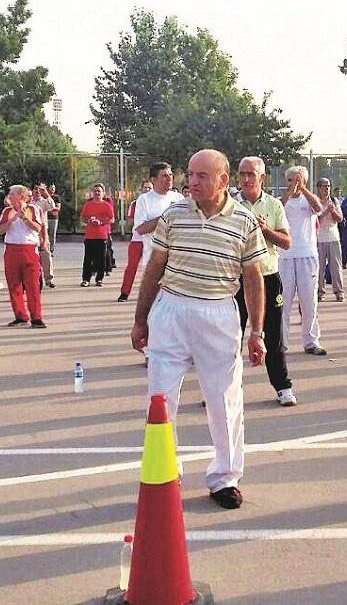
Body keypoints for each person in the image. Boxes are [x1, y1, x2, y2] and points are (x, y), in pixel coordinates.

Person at [130, 149, 267, 510]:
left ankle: (225, 477)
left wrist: (257, 331)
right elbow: (153, 269)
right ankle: (164, 472)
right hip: (171, 311)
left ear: (223, 180)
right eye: (189, 174)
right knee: (160, 398)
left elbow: (254, 279)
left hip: (219, 314)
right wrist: (140, 319)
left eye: (201, 176)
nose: (191, 182)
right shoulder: (173, 216)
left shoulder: (244, 221)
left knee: (224, 400)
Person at [235, 157, 297, 406]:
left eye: (252, 174)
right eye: (242, 174)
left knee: (273, 335)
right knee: (230, 334)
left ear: (262, 177)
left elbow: (286, 241)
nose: (247, 179)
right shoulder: (229, 205)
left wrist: (265, 230)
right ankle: (225, 388)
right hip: (235, 279)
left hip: (267, 276)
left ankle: (283, 386)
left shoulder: (273, 205)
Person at [118, 163, 184, 302]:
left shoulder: (178, 199)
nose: (169, 179)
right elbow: (141, 228)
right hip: (155, 260)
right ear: (153, 180)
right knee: (156, 303)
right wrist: (165, 217)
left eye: (170, 175)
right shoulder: (144, 200)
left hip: (177, 260)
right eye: (164, 176)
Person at [278, 166, 327, 355]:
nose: (293, 184)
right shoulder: (281, 201)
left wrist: (303, 189)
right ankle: (281, 343)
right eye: (290, 180)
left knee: (309, 302)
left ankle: (311, 341)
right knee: (282, 303)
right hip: (285, 256)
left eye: (297, 180)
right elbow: (278, 208)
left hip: (307, 255)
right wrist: (290, 193)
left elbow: (319, 208)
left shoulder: (308, 201)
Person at [0, 184, 46, 328]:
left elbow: (38, 228)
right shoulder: (7, 211)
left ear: (21, 196)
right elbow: (0, 230)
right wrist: (12, 220)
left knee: (32, 285)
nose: (10, 196)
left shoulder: (33, 209)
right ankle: (20, 316)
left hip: (29, 250)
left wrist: (25, 219)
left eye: (12, 194)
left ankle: (36, 317)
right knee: (14, 285)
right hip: (11, 250)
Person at [314, 179, 345, 302]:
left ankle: (339, 292)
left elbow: (340, 219)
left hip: (333, 237)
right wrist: (326, 211)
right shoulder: (314, 201)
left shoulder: (334, 201)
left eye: (328, 186)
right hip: (319, 239)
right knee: (319, 268)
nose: (326, 189)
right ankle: (319, 291)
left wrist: (333, 211)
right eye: (324, 186)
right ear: (318, 188)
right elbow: (316, 221)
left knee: (336, 267)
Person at [81, 183, 115, 287]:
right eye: (95, 191)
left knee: (101, 258)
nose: (97, 193)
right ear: (92, 193)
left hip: (102, 236)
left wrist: (101, 222)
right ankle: (86, 279)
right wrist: (89, 221)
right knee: (88, 258)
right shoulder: (88, 204)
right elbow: (83, 218)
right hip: (89, 236)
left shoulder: (107, 205)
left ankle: (99, 279)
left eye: (99, 191)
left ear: (103, 193)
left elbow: (112, 219)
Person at [31, 184, 56, 289]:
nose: (37, 191)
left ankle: (49, 279)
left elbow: (52, 207)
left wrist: (46, 194)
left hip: (42, 231)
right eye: (35, 189)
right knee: (32, 256)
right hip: (30, 231)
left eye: (39, 189)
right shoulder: (28, 202)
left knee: (45, 254)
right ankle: (34, 279)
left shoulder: (44, 202)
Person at [47, 183, 62, 253]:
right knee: (45, 234)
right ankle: (45, 249)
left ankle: (51, 250)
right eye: (51, 187)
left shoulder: (57, 197)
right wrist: (52, 208)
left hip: (54, 218)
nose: (53, 189)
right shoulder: (45, 197)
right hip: (45, 218)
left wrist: (51, 208)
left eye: (54, 188)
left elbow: (58, 208)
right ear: (48, 188)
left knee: (52, 235)